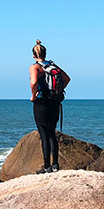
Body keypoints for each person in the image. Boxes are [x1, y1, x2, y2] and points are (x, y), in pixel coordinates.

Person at [29, 39, 70, 173]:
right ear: (45, 54)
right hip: (54, 102)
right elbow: (67, 79)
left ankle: (46, 166)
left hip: (41, 103)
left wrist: (33, 96)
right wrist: (57, 91)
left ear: (34, 55)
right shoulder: (54, 67)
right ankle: (56, 164)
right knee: (52, 133)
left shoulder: (35, 67)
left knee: (43, 134)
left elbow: (34, 82)